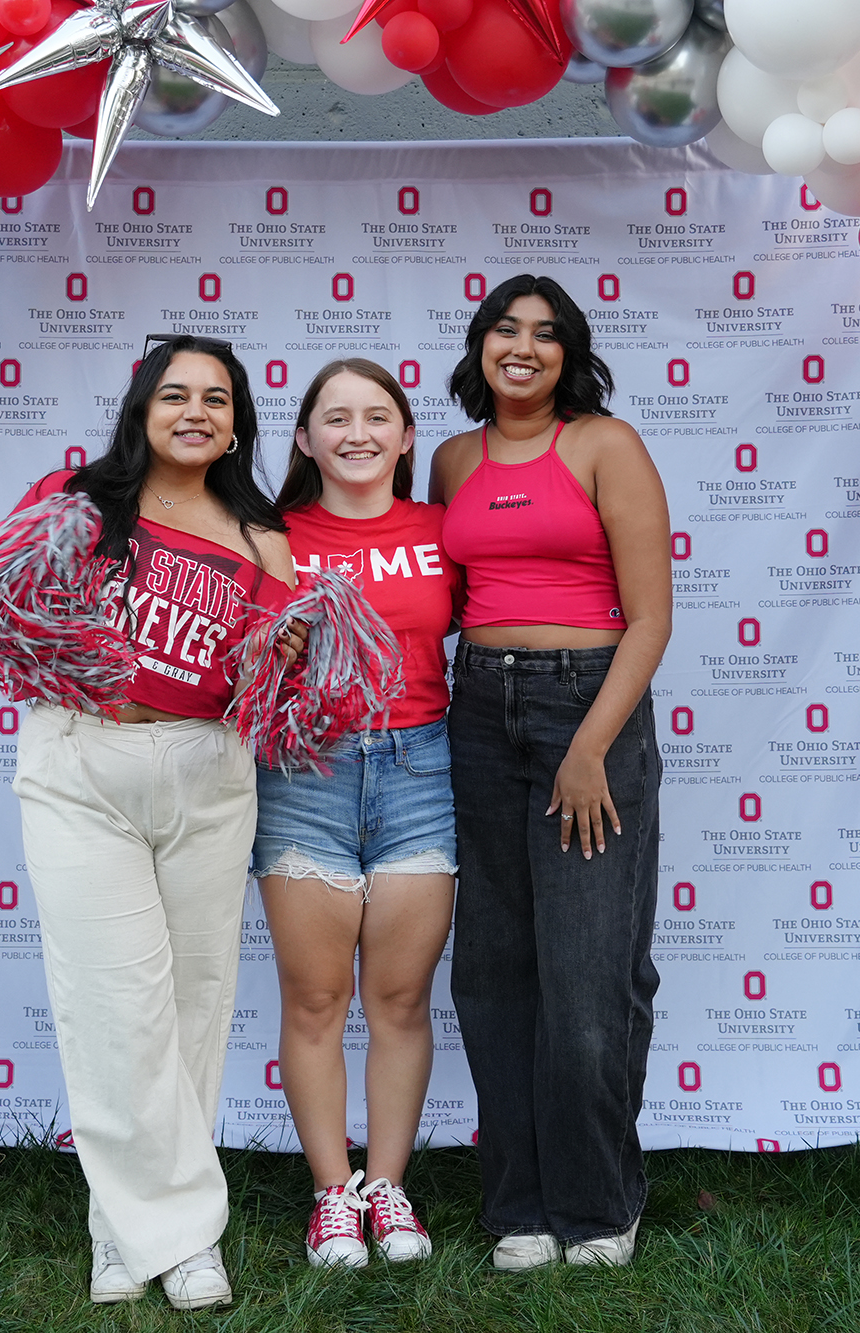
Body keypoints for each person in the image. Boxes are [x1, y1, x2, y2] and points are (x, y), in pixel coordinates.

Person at [10, 335, 299, 1310]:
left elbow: (266, 688)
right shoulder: (83, 501)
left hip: (206, 771)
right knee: (110, 1004)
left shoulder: (263, 540)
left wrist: (286, 653)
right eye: (174, 394)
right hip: (80, 763)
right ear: (140, 408)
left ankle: (126, 1232)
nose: (194, 412)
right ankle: (175, 1238)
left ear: (234, 425)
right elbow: (7, 614)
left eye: (216, 400)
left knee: (192, 1005)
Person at [430, 274, 672, 1270]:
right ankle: (519, 1206)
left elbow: (649, 617)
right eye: (503, 329)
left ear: (569, 355)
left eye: (543, 334)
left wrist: (587, 748)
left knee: (588, 975)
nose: (520, 347)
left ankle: (596, 1204)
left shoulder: (605, 446)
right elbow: (437, 599)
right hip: (479, 708)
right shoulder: (450, 459)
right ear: (479, 347)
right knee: (493, 971)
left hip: (590, 708)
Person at [256, 359, 460, 1269]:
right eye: (334, 417)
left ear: (406, 436)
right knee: (315, 997)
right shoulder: (272, 536)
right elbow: (246, 667)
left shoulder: (441, 529)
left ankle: (390, 1187)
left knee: (400, 997)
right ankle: (331, 1195)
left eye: (378, 416)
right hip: (307, 772)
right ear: (304, 438)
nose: (357, 433)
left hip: (422, 763)